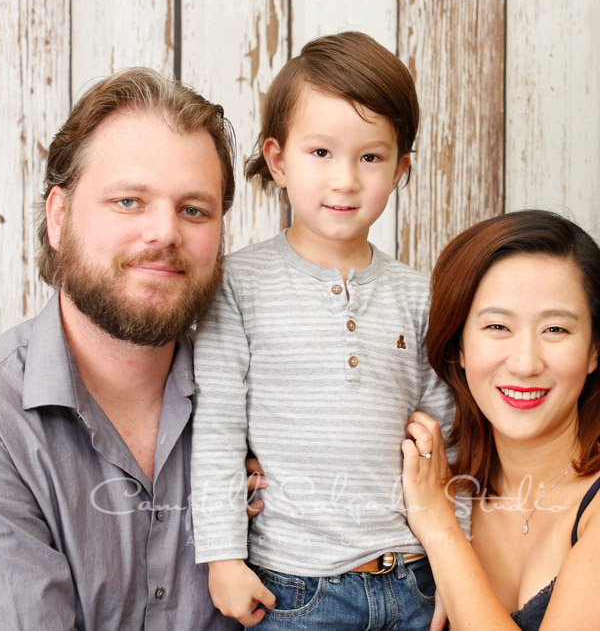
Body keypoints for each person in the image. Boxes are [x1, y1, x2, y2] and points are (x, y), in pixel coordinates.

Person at [0, 67, 260, 630]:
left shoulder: (265, 406)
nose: (164, 233)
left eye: (194, 210)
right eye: (129, 201)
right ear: (58, 217)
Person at [191, 31, 466, 629]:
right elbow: (216, 426)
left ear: (401, 169)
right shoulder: (237, 285)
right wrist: (221, 557)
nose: (345, 180)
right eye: (321, 153)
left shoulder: (420, 294)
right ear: (278, 158)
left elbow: (448, 438)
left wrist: (455, 562)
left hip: (412, 577)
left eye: (370, 157)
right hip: (296, 588)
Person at [401, 209, 600, 630]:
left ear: (595, 351)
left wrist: (440, 530)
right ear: (457, 346)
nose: (526, 363)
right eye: (497, 326)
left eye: (555, 330)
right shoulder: (444, 485)